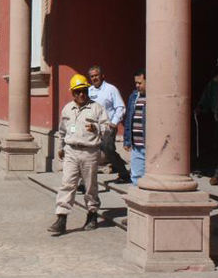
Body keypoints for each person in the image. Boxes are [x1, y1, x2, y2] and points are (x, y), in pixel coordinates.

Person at [48, 73, 109, 236]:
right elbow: (62, 130)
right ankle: (61, 218)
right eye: (77, 92)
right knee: (67, 184)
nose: (81, 94)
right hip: (71, 151)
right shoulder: (67, 109)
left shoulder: (97, 108)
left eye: (84, 91)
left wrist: (97, 128)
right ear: (72, 93)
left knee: (90, 186)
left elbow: (108, 128)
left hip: (90, 152)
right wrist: (60, 147)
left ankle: (92, 214)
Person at [87, 65, 130, 183]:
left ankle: (123, 173)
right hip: (93, 127)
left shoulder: (111, 89)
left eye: (96, 75)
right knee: (89, 152)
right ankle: (84, 182)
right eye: (92, 76)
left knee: (107, 148)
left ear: (102, 76)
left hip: (108, 126)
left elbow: (120, 107)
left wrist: (114, 122)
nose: (94, 78)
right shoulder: (89, 91)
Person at [123, 69, 147, 185]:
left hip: (149, 144)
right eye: (136, 83)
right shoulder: (133, 97)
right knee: (136, 176)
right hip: (136, 145)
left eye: (140, 83)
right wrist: (127, 140)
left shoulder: (154, 98)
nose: (137, 85)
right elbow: (128, 119)